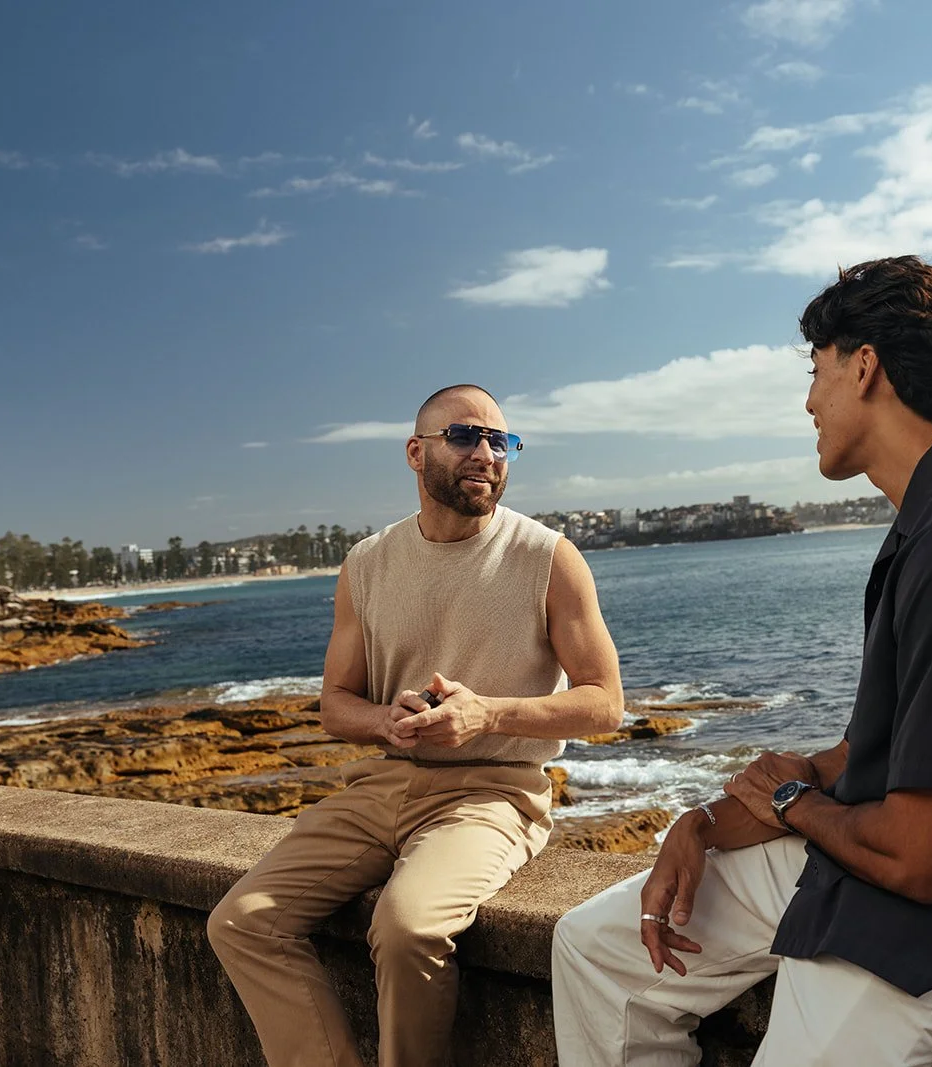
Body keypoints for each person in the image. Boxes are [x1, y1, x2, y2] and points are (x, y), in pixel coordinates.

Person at [552, 257, 932, 1066]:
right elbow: (869, 755)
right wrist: (702, 826)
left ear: (864, 364)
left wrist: (790, 801)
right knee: (595, 951)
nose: (810, 402)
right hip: (867, 858)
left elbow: (925, 859)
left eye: (816, 373)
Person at [209, 384, 625, 1067]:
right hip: (383, 787)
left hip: (495, 794)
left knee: (404, 926)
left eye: (501, 441)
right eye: (465, 436)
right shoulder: (367, 564)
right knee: (243, 921)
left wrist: (486, 712)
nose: (487, 453)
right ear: (416, 451)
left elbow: (605, 702)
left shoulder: (548, 557)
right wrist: (384, 721)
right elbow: (335, 703)